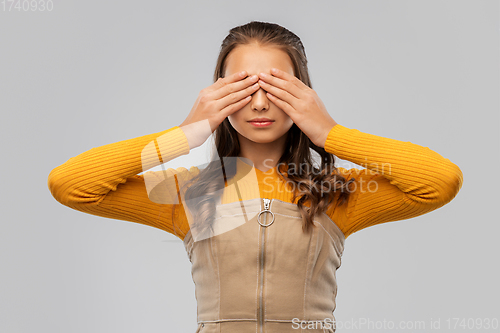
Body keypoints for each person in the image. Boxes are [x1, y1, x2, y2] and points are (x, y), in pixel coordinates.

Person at [47, 21, 463, 333]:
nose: (260, 102)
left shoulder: (336, 194)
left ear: (303, 92)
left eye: (276, 86)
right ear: (218, 92)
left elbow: (439, 181)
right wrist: (186, 133)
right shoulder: (189, 192)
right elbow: (70, 185)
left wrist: (329, 133)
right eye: (243, 86)